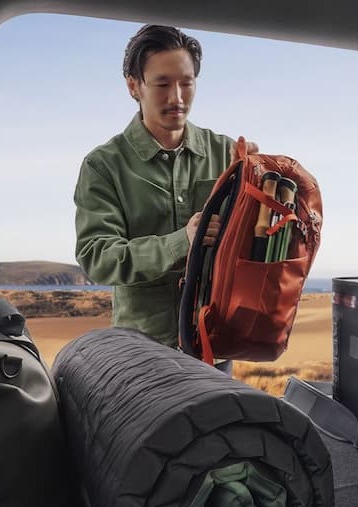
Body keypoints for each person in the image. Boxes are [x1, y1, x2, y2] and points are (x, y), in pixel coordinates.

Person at [74, 24, 254, 366]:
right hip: (140, 355)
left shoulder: (227, 153)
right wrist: (182, 241)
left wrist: (257, 183)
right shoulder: (103, 165)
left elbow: (252, 247)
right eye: (162, 84)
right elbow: (97, 257)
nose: (177, 98)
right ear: (133, 86)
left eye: (187, 83)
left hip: (213, 350)